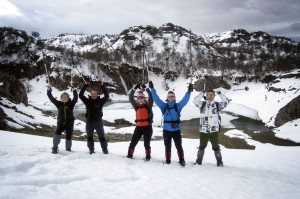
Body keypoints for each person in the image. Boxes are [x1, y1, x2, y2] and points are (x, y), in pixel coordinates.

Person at [149, 81, 193, 166]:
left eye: (172, 96)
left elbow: (185, 100)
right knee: (167, 147)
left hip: (176, 130)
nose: (171, 98)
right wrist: (152, 89)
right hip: (166, 130)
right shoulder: (163, 106)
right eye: (169, 97)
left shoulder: (178, 106)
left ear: (174, 97)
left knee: (179, 146)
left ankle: (181, 160)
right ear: (167, 97)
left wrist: (189, 92)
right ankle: (168, 160)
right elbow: (156, 99)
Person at [193, 90, 229, 167]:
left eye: (212, 95)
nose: (210, 96)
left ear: (214, 96)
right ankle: (199, 161)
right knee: (202, 146)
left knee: (216, 146)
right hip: (203, 130)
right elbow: (195, 101)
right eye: (209, 95)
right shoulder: (202, 104)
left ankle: (219, 162)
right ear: (206, 95)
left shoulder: (217, 105)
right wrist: (202, 93)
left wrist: (220, 93)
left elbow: (226, 102)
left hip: (214, 130)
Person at [79, 81, 109, 154]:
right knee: (89, 136)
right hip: (89, 122)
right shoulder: (87, 101)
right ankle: (91, 150)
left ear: (97, 94)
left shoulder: (101, 101)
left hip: (98, 122)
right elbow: (80, 95)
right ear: (90, 94)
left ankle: (105, 150)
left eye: (95, 94)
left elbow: (107, 96)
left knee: (101, 136)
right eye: (92, 94)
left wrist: (103, 87)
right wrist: (85, 86)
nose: (93, 95)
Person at [47, 85, 78, 154]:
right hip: (61, 122)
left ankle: (68, 149)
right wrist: (49, 91)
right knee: (57, 134)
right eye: (63, 97)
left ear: (68, 98)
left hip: (70, 122)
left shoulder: (71, 104)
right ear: (61, 98)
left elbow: (75, 98)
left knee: (69, 136)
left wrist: (74, 90)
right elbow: (51, 98)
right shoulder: (58, 104)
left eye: (66, 97)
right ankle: (55, 147)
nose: (64, 98)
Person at [127, 83, 153, 161]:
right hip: (138, 127)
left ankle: (148, 155)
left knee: (146, 144)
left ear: (144, 99)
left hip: (147, 127)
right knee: (133, 142)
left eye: (142, 98)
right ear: (137, 99)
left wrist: (147, 89)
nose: (141, 99)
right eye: (139, 98)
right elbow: (130, 97)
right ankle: (129, 155)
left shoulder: (148, 106)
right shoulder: (136, 106)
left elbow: (151, 98)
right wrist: (135, 88)